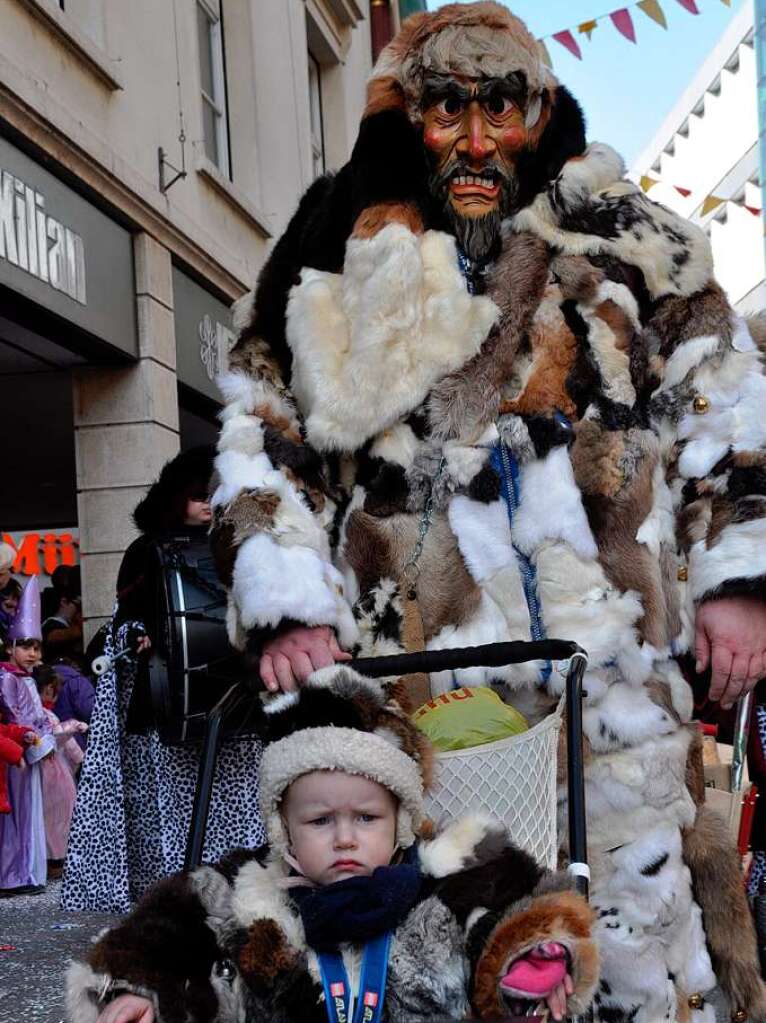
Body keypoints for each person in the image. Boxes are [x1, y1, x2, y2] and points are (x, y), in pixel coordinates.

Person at [206, 3, 766, 1016]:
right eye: (444, 110)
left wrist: (739, 580)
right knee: (447, 964)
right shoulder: (334, 245)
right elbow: (262, 433)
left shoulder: (630, 241)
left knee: (637, 949)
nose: (473, 140)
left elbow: (729, 404)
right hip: (421, 695)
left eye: (499, 109)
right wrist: (285, 593)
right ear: (402, 116)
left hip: (614, 689)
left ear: (539, 113)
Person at [66, 666, 598, 1023]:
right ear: (285, 830)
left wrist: (530, 958)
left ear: (401, 824)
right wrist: (140, 988)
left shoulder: (455, 878)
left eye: (366, 818)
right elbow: (159, 934)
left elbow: (523, 910)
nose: (345, 837)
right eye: (319, 821)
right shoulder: (244, 893)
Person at [62, 446, 267, 914]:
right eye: (197, 497)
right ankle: (176, 898)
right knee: (170, 812)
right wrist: (138, 638)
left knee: (232, 803)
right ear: (177, 499)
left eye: (212, 496)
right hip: (166, 703)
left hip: (234, 702)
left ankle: (238, 891)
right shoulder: (148, 551)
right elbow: (124, 619)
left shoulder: (234, 547)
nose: (206, 506)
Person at [0, 576, 55, 895]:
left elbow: (37, 716)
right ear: (11, 647)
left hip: (29, 754)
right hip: (15, 757)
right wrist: (35, 744)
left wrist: (44, 743)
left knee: (29, 812)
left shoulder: (26, 678)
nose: (33, 653)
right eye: (25, 646)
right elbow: (15, 718)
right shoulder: (8, 679)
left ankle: (27, 872)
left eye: (36, 647)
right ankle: (11, 875)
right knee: (15, 816)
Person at [34, 663, 87, 878]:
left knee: (49, 818)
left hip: (47, 771)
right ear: (48, 689)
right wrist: (82, 759)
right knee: (59, 818)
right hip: (54, 774)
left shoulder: (40, 715)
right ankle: (56, 861)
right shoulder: (46, 716)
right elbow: (65, 742)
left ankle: (51, 860)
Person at [51, 656, 93, 753]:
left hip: (52, 743)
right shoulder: (79, 681)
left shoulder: (43, 679)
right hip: (77, 743)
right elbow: (89, 711)